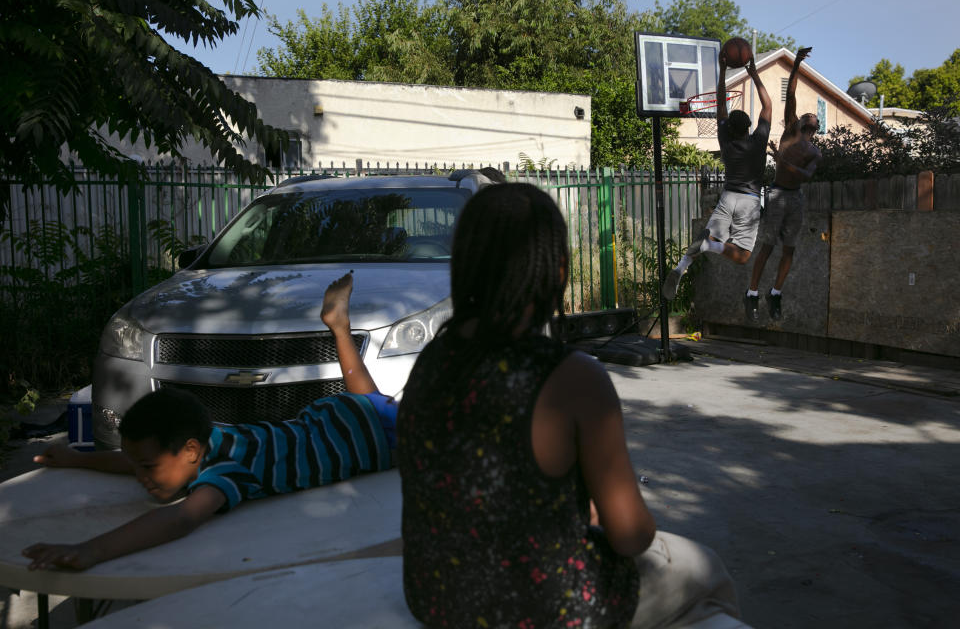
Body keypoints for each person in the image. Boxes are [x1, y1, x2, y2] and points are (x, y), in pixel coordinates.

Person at [398, 183, 743, 628]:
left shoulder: (433, 360)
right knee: (706, 569)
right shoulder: (573, 376)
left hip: (434, 598)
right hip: (545, 608)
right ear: (557, 270)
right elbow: (631, 535)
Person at [22, 272, 396, 572]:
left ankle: (339, 328)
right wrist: (76, 458)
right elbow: (132, 457)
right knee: (365, 401)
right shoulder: (203, 440)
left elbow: (180, 520)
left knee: (414, 418)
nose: (139, 476)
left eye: (148, 467)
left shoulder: (226, 469)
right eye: (140, 467)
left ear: (190, 450)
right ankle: (338, 327)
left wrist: (91, 550)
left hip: (379, 439)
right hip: (333, 418)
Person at [663, 52, 773, 303]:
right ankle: (710, 247)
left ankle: (681, 267)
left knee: (710, 235)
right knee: (743, 255)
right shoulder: (757, 142)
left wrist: (722, 71)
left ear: (730, 128)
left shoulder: (725, 140)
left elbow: (721, 105)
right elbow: (767, 106)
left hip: (728, 197)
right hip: (749, 202)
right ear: (748, 127)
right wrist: (754, 73)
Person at [746, 47, 821, 321]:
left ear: (816, 131)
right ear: (799, 123)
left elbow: (806, 175)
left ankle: (775, 293)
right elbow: (790, 94)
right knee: (767, 246)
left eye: (814, 126)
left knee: (789, 248)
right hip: (777, 194)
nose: (809, 127)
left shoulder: (815, 152)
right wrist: (796, 65)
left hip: (795, 196)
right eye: (806, 122)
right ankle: (752, 293)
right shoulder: (790, 129)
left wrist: (782, 160)